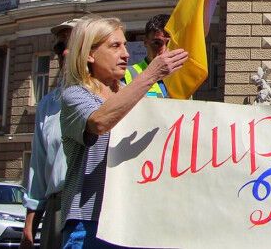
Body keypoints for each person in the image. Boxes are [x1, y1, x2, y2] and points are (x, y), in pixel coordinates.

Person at [59, 15, 187, 248]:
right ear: (89, 53)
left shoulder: (130, 93)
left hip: (131, 220)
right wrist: (151, 74)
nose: (126, 54)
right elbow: (100, 121)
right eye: (115, 46)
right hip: (88, 222)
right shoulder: (75, 95)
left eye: (125, 45)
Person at [21, 18, 78, 249]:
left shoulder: (115, 97)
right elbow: (38, 166)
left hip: (98, 209)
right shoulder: (49, 104)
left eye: (73, 45)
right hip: (58, 210)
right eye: (60, 47)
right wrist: (29, 227)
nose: (64, 53)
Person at [121, 14, 170, 97]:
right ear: (145, 42)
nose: (163, 52)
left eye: (169, 43)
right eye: (157, 43)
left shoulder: (182, 78)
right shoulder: (126, 75)